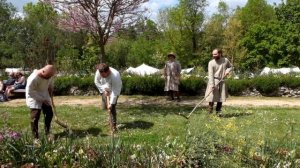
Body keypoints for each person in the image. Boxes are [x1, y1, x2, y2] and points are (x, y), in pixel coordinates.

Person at [25, 65, 56, 139]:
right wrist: (42, 100)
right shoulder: (33, 78)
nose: (49, 78)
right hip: (34, 97)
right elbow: (30, 92)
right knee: (35, 117)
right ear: (43, 71)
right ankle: (35, 137)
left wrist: (51, 88)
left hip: (44, 95)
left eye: (50, 76)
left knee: (49, 114)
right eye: (48, 76)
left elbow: (50, 82)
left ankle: (47, 131)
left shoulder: (49, 75)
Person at [94, 63, 122, 134]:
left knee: (112, 108)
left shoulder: (115, 75)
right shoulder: (99, 71)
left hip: (114, 90)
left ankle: (114, 126)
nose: (102, 76)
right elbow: (96, 82)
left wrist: (111, 103)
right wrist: (104, 90)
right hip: (104, 89)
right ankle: (110, 121)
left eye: (103, 75)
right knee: (106, 107)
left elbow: (115, 91)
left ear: (108, 71)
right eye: (101, 75)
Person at [205, 49, 233, 115]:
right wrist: (212, 85)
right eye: (213, 54)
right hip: (213, 80)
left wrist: (227, 71)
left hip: (222, 81)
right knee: (211, 97)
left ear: (220, 53)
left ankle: (218, 112)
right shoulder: (211, 63)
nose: (213, 56)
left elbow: (231, 67)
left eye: (215, 54)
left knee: (220, 98)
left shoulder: (225, 60)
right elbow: (210, 74)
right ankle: (210, 112)